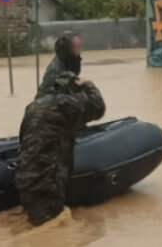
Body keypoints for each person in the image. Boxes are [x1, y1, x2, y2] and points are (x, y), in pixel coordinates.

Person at [15, 71, 106, 226]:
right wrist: (86, 84)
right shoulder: (66, 104)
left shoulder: (32, 107)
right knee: (50, 233)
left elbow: (22, 140)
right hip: (47, 185)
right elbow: (98, 106)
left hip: (25, 180)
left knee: (35, 226)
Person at [37, 32, 82, 98]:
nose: (79, 51)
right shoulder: (56, 70)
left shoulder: (69, 62)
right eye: (75, 47)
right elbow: (59, 93)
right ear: (66, 49)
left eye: (79, 46)